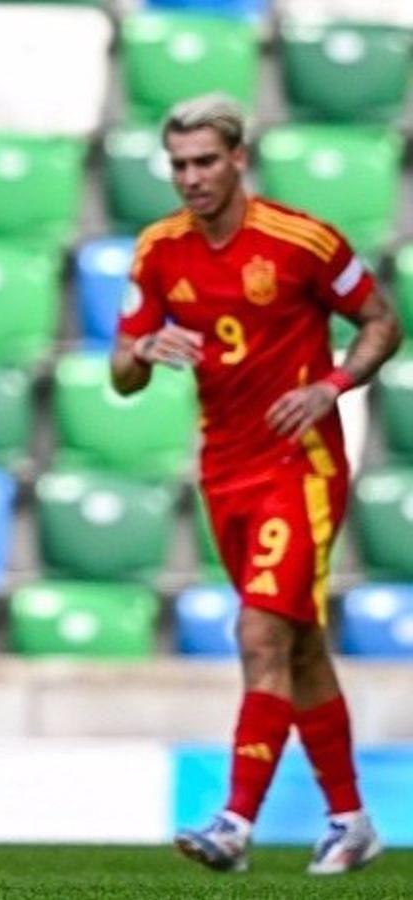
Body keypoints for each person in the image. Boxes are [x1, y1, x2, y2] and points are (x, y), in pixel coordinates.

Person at [111, 93, 402, 876]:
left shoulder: (303, 240)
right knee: (297, 646)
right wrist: (144, 351)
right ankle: (351, 821)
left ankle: (234, 823)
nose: (191, 178)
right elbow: (121, 372)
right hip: (224, 471)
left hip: (301, 467)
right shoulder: (158, 250)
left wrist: (332, 385)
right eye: (179, 165)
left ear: (239, 159)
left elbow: (383, 321)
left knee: (259, 634)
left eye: (206, 161)